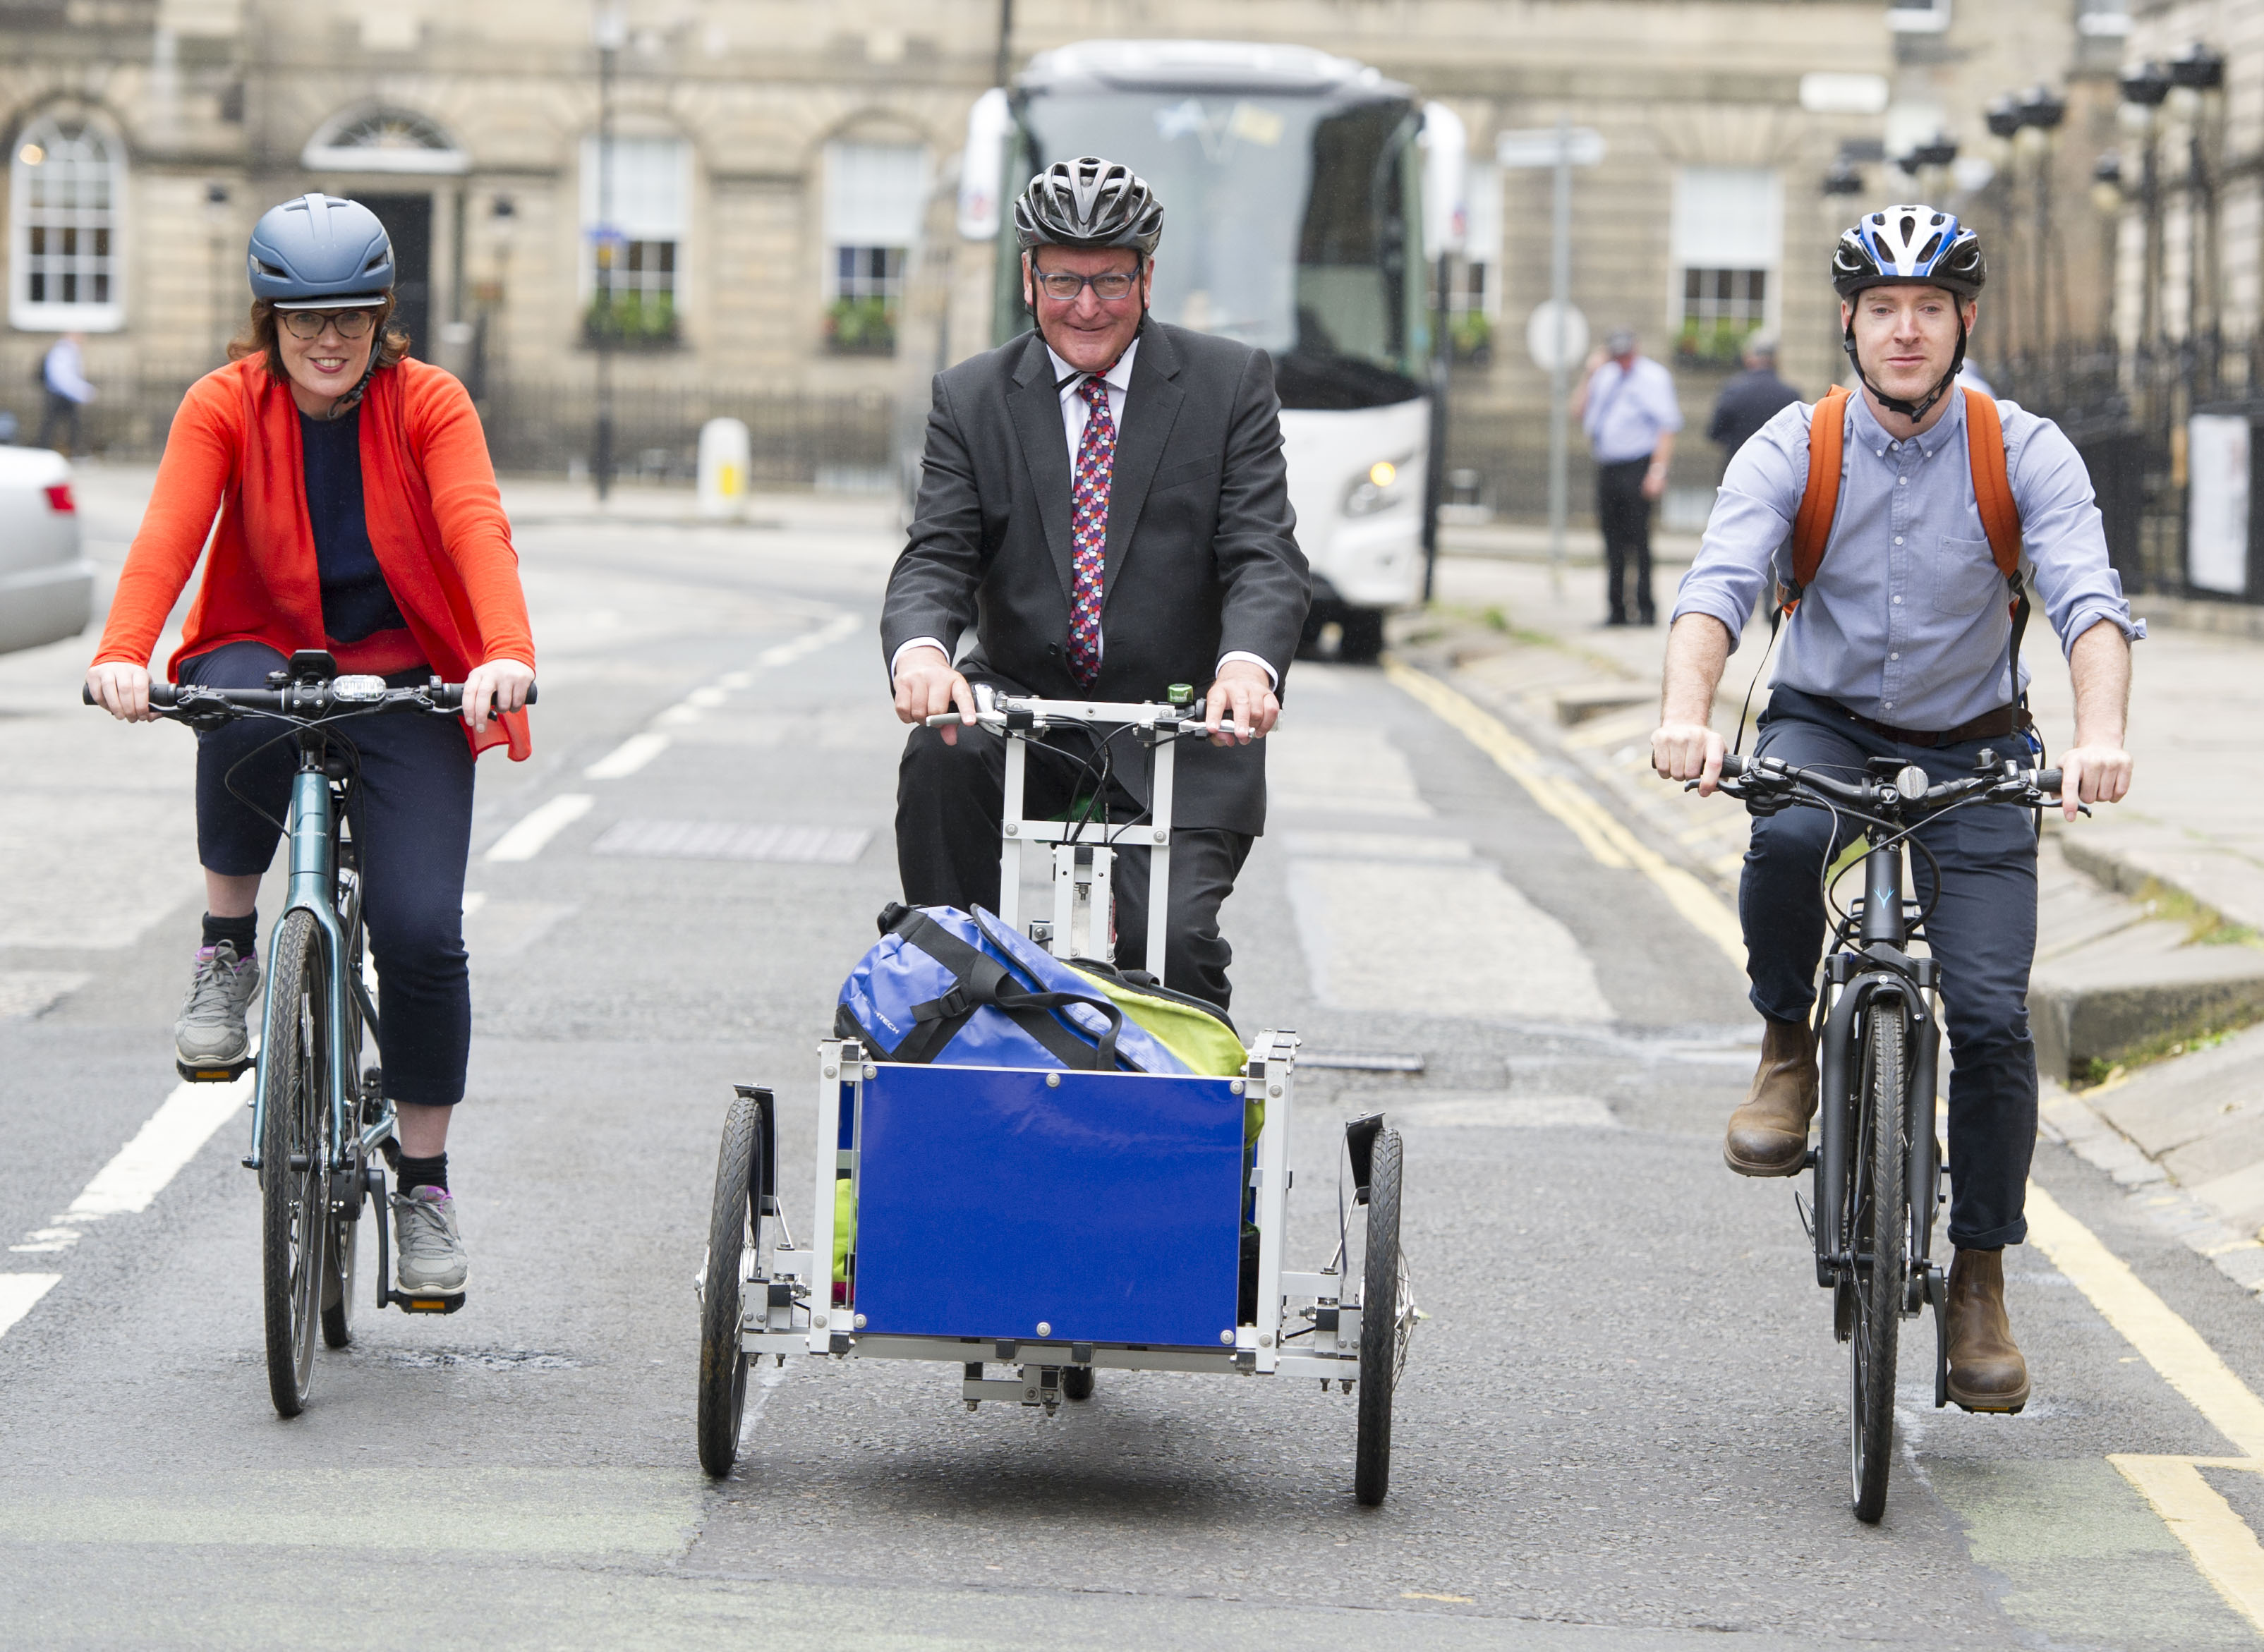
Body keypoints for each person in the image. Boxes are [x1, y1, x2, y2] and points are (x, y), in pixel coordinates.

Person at [1651, 205, 2139, 1413]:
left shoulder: (2021, 449)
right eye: (1882, 310)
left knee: (1985, 1016)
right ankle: (1783, 1044)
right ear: (1848, 324)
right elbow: (1716, 583)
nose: (1905, 331)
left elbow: (2086, 599)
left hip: (1973, 746)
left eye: (1928, 308)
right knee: (1786, 838)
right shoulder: (1793, 443)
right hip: (1821, 722)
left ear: (1962, 322)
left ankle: (1975, 1273)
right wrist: (1685, 713)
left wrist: (2101, 737)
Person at [85, 194, 536, 1300]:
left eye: (348, 318)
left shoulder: (428, 402)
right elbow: (168, 535)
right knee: (224, 696)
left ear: (383, 316)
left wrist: (502, 652)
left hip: (409, 674)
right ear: (268, 319)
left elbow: (477, 523)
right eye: (301, 320)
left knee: (422, 930)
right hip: (263, 648)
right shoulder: (222, 405)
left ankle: (423, 1182)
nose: (326, 341)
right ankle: (227, 950)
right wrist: (124, 652)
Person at [884, 156, 1309, 1012]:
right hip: (1022, 720)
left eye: (1110, 278)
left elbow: (1263, 553)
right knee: (941, 755)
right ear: (1027, 275)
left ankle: (1181, 1118)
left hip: (1182, 725)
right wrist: (925, 653)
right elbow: (936, 553)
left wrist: (1244, 669)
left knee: (1174, 943)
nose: (1086, 306)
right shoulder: (970, 398)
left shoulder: (1228, 386)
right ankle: (950, 1014)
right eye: (1064, 280)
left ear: (1147, 276)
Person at [1570, 329, 1681, 626]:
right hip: (1609, 467)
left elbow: (1667, 426)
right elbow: (1577, 411)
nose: (1623, 362)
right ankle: (1616, 609)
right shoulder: (1603, 377)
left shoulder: (1653, 377)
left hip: (1639, 466)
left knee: (1640, 540)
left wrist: (1658, 472)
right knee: (1611, 540)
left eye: (1627, 355)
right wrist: (1588, 375)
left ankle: (1646, 608)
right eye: (1617, 356)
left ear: (1637, 350)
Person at [1706, 335, 1799, 467]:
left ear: (1749, 358)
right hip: (1777, 470)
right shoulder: (1790, 394)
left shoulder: (1734, 390)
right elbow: (1797, 439)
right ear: (1775, 360)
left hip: (1738, 468)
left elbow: (1715, 433)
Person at [37, 332, 94, 456]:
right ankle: (44, 450)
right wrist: (82, 392)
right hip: (59, 394)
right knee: (53, 424)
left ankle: (74, 451)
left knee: (69, 424)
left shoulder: (70, 351)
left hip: (64, 394)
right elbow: (63, 377)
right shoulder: (63, 351)